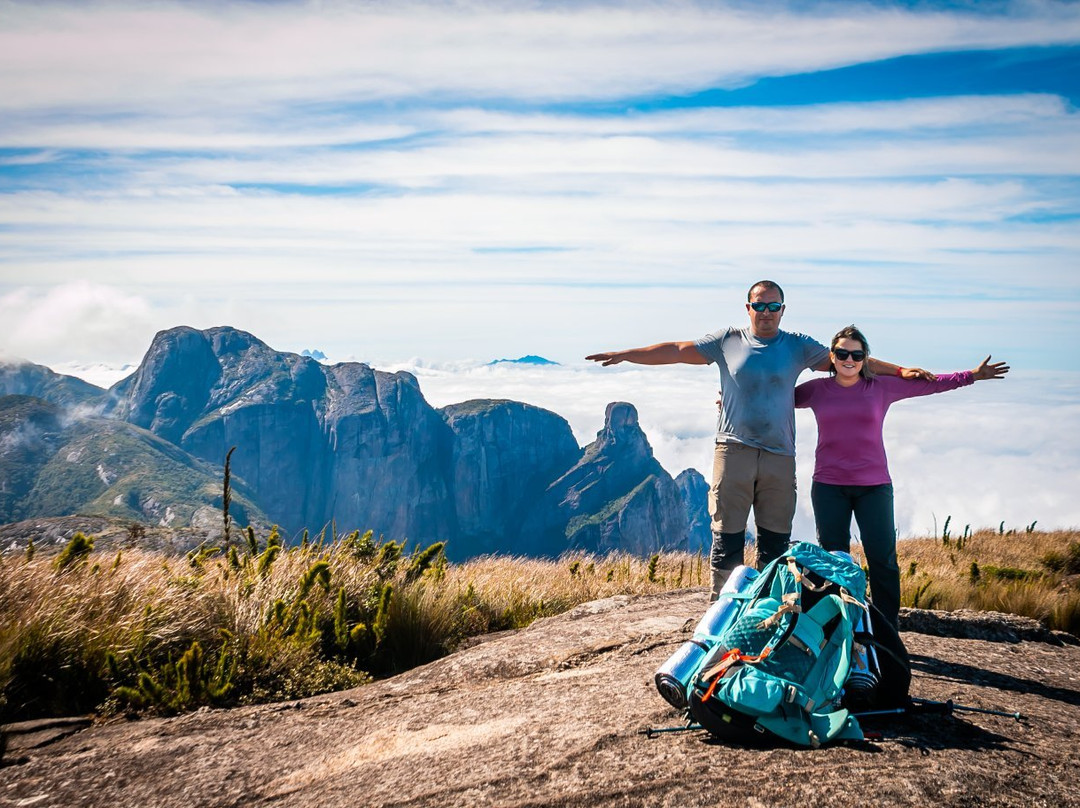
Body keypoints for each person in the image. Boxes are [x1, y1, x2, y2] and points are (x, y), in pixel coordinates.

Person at [586, 280, 930, 600]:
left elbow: (849, 360)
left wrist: (899, 371)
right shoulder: (727, 340)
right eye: (760, 305)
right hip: (733, 450)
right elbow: (677, 349)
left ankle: (767, 609)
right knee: (727, 535)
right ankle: (722, 607)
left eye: (773, 306)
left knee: (775, 539)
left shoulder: (797, 345)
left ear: (783, 310)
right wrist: (628, 354)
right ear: (747, 308)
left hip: (779, 456)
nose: (766, 312)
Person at [794, 324, 1009, 639]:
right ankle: (837, 628)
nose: (849, 360)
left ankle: (886, 630)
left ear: (866, 358)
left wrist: (972, 376)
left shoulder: (881, 387)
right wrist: (731, 399)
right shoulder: (816, 389)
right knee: (833, 562)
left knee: (883, 560)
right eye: (842, 353)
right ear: (833, 356)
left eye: (856, 355)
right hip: (828, 487)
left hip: (874, 487)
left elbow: (931, 385)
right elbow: (776, 399)